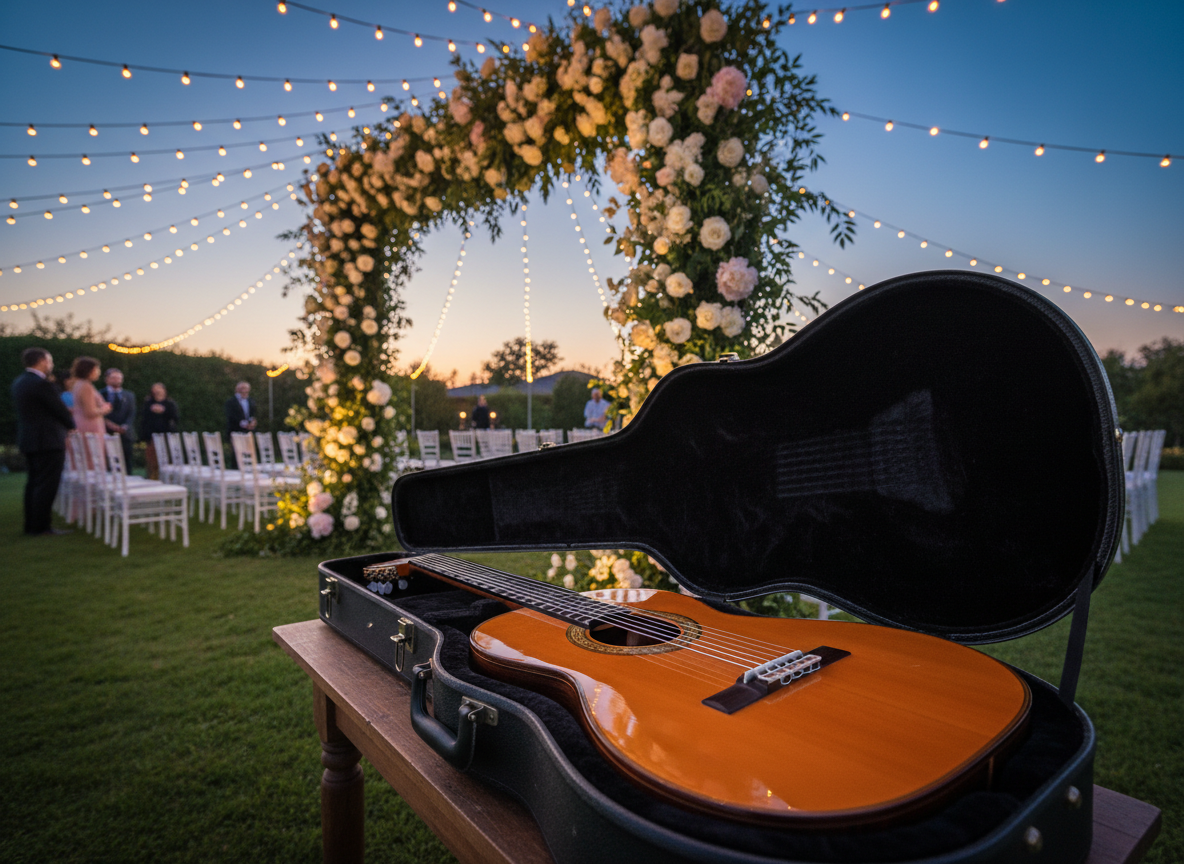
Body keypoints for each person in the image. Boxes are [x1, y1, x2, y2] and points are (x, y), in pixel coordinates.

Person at [12, 347, 76, 535]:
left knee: (33, 483)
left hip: (30, 439)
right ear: (42, 361)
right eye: (50, 361)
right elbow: (59, 409)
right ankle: (41, 526)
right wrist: (71, 424)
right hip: (48, 440)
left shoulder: (20, 381)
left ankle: (31, 524)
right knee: (47, 484)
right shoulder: (41, 384)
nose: (52, 365)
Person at [141, 383, 180, 480]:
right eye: (155, 390)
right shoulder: (148, 403)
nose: (157, 392)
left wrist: (164, 411)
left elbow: (176, 418)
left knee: (165, 459)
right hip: (152, 436)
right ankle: (152, 478)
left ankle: (166, 478)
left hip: (166, 436)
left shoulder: (170, 404)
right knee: (152, 461)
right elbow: (143, 418)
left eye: (159, 390)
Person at [100, 367, 136, 471]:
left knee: (127, 461)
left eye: (119, 378)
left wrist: (125, 426)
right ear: (107, 379)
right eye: (113, 378)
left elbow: (131, 413)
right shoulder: (100, 394)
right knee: (110, 461)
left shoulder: (129, 395)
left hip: (125, 434)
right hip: (107, 432)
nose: (116, 380)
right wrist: (110, 424)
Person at [224, 381, 257, 468]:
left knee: (248, 452)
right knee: (236, 454)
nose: (245, 391)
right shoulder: (231, 402)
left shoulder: (251, 401)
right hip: (235, 431)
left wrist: (252, 422)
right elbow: (231, 416)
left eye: (246, 389)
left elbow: (252, 414)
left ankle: (248, 469)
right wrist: (243, 424)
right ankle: (236, 471)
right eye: (243, 389)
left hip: (247, 432)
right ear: (237, 390)